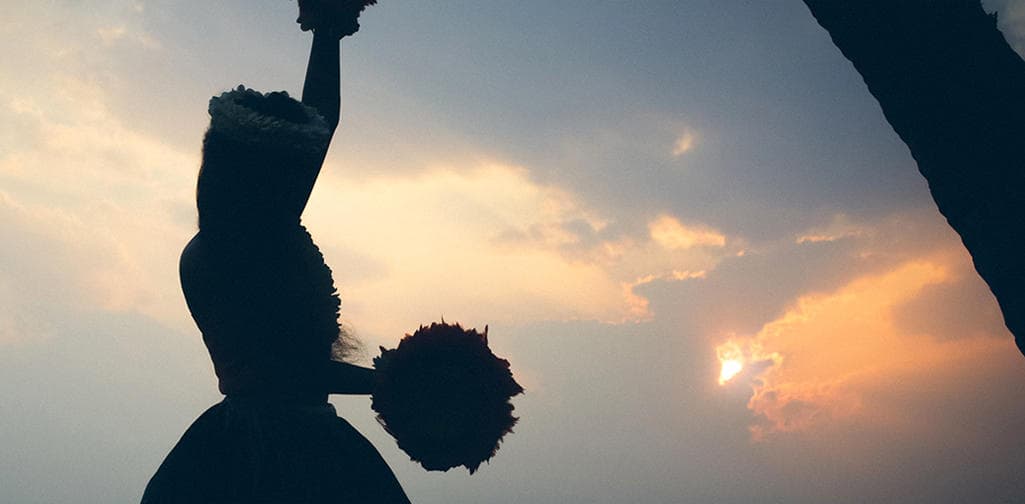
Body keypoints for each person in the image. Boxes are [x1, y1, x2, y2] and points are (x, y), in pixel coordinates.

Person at [142, 3, 410, 502]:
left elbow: (320, 125)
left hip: (281, 439)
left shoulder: (265, 227)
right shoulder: (219, 259)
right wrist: (396, 382)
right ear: (261, 183)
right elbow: (289, 375)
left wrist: (327, 33)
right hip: (263, 458)